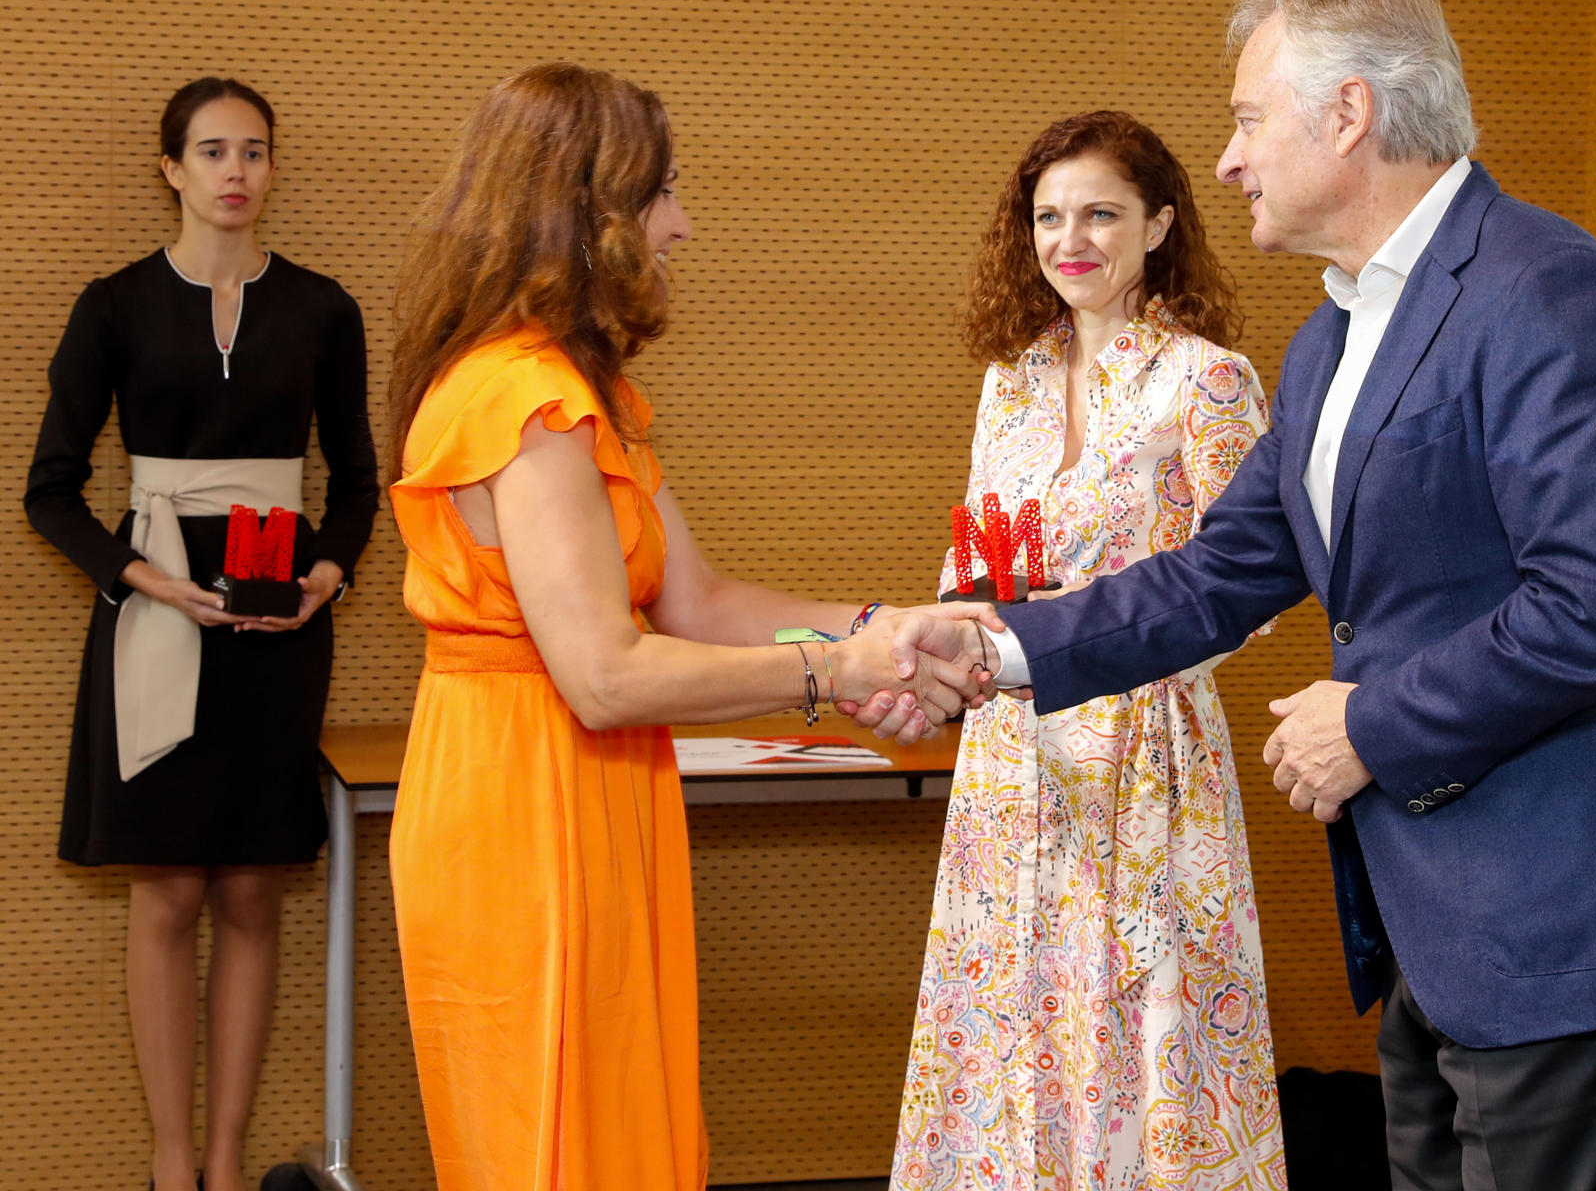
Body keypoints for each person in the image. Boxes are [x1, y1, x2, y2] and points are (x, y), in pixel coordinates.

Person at [893, 0, 1596, 1191]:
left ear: (1347, 115)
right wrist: (993, 650)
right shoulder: (1335, 329)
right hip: (1427, 935)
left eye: (1246, 120)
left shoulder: (1546, 288)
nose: (1230, 161)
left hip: (1558, 933)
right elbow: (1220, 573)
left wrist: (1371, 722)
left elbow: (1594, 607)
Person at [383, 61, 994, 1191]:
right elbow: (605, 673)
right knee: (557, 1146)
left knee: (623, 1129)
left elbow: (698, 601)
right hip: (523, 805)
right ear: (591, 211)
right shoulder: (524, 400)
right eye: (662, 193)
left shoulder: (584, 390)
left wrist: (887, 625)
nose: (683, 223)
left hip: (595, 789)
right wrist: (836, 673)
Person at [889, 111, 1287, 1191]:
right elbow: (977, 548)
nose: (1072, 239)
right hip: (1009, 752)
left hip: (1143, 758)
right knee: (1009, 1021)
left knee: (1138, 1033)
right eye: (1049, 217)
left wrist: (1103, 631)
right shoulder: (1008, 378)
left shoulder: (1207, 378)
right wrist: (940, 634)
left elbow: (1253, 591)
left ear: (1159, 224)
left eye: (1101, 213)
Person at [23, 78, 379, 1191]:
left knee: (251, 888)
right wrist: (148, 584)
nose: (237, 171)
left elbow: (363, 481)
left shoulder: (323, 308)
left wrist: (327, 572)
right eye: (213, 150)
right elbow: (49, 491)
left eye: (256, 151)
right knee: (167, 887)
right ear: (170, 167)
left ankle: (226, 1164)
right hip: (155, 606)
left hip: (279, 612)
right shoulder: (114, 304)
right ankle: (172, 1167)